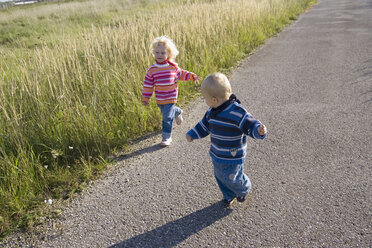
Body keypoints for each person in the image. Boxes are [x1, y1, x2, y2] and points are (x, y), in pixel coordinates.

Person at [186, 72, 267, 207]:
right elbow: (203, 126)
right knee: (220, 177)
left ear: (214, 99)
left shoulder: (236, 112)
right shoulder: (211, 112)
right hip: (217, 154)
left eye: (205, 98)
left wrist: (258, 130)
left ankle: (244, 189)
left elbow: (250, 124)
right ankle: (228, 195)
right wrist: (193, 134)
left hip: (233, 156)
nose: (205, 102)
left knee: (233, 177)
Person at [142, 36, 201, 146]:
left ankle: (167, 137)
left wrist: (192, 76)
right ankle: (177, 111)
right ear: (153, 53)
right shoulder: (152, 70)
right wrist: (146, 98)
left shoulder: (172, 67)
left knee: (167, 117)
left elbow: (182, 74)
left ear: (169, 54)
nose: (159, 55)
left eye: (163, 53)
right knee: (166, 112)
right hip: (160, 99)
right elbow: (148, 85)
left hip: (171, 97)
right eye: (157, 52)